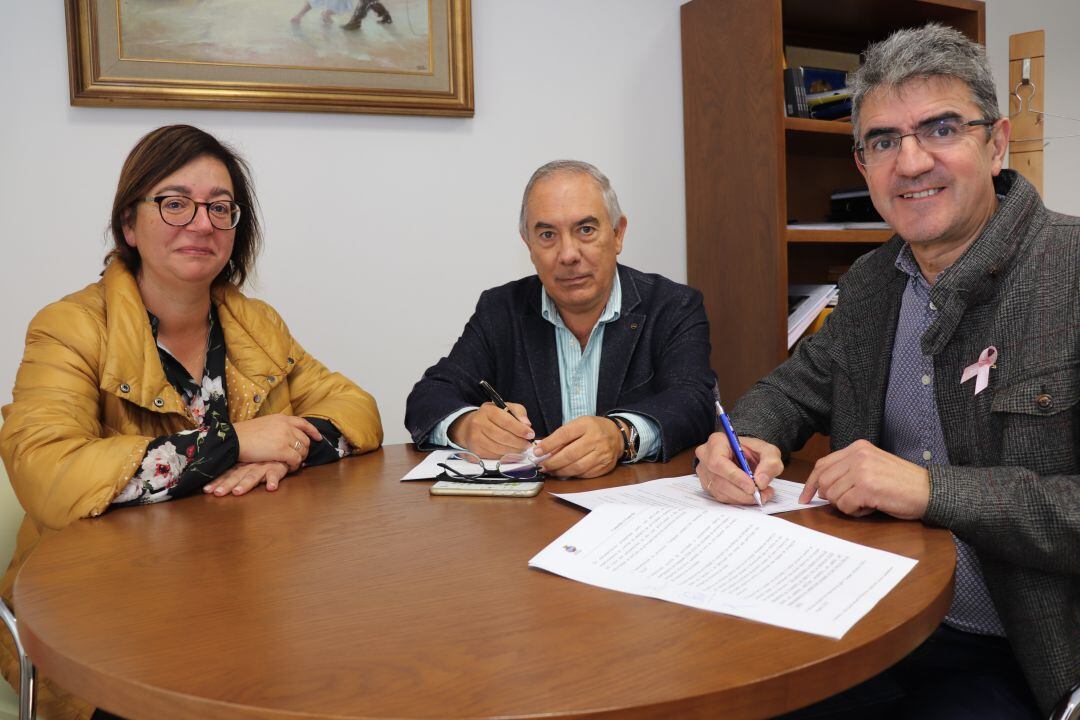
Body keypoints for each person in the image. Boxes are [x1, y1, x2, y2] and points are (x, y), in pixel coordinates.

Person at [695, 23, 1078, 719]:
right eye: (882, 141)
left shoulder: (1072, 272)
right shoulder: (872, 284)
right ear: (862, 165)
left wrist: (932, 490)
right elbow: (791, 387)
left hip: (1023, 656)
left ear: (995, 144)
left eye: (939, 128)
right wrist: (743, 435)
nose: (909, 162)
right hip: (868, 624)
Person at [0, 124, 383, 720]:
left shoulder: (254, 321)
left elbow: (356, 409)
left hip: (241, 598)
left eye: (220, 208)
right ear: (130, 224)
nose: (201, 223)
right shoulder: (70, 326)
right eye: (174, 203)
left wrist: (284, 449)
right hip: (97, 620)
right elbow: (49, 473)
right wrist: (231, 444)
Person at [405, 160, 716, 478]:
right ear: (528, 244)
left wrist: (621, 434)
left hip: (634, 507)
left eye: (585, 230)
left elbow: (695, 402)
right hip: (536, 513)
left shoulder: (672, 305)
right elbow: (429, 395)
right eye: (548, 235)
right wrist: (465, 425)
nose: (568, 254)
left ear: (617, 234)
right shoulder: (501, 309)